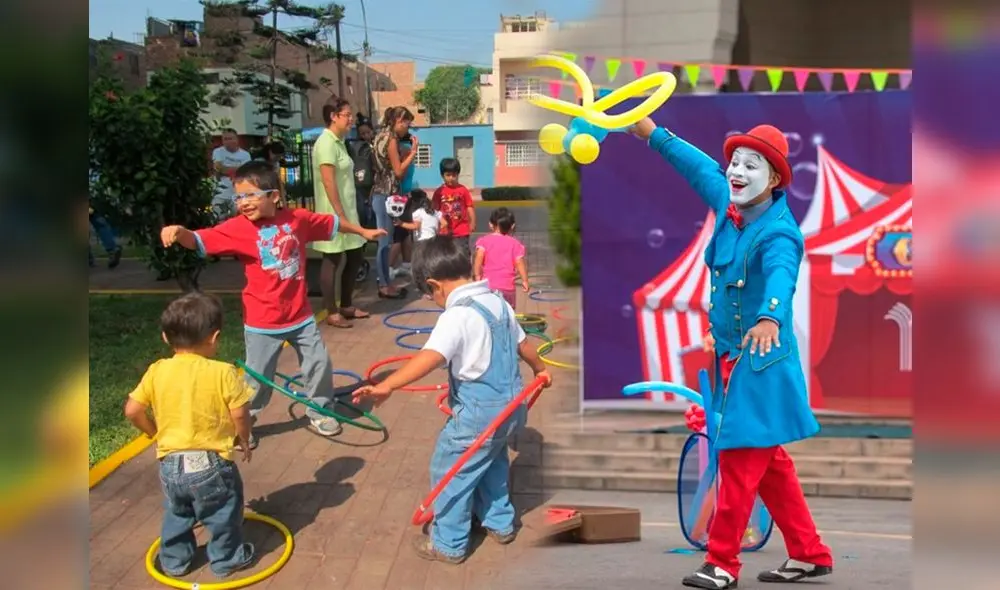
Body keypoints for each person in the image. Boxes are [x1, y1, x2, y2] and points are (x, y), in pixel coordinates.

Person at [629, 118, 833, 589]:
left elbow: (782, 276)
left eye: (750, 166)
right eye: (735, 164)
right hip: (730, 360)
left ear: (775, 179)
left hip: (761, 365)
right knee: (772, 467)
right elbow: (700, 168)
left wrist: (770, 317)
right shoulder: (730, 204)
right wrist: (652, 133)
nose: (736, 173)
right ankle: (809, 553)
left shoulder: (779, 233)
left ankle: (722, 562)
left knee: (740, 463)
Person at [352, 236, 553, 564]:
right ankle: (499, 523)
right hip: (512, 406)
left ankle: (448, 543)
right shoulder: (499, 302)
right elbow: (524, 343)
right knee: (493, 460)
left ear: (434, 285)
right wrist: (541, 369)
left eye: (428, 294)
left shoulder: (457, 315)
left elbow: (430, 357)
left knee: (451, 470)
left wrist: (388, 386)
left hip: (478, 414)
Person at [160, 160, 386, 445]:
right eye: (238, 197)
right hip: (262, 321)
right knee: (257, 380)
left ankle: (319, 410)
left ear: (274, 196)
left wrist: (364, 232)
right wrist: (180, 233)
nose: (243, 202)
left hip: (300, 316)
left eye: (251, 195)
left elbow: (333, 224)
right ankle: (244, 423)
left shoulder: (298, 220)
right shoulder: (237, 228)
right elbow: (200, 239)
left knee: (319, 364)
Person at [123, 292, 256, 578]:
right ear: (214, 336)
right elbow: (240, 413)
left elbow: (133, 410)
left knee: (178, 511)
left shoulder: (157, 370)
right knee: (224, 512)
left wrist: (153, 434)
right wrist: (244, 439)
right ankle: (226, 559)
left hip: (170, 463)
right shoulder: (224, 372)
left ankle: (174, 561)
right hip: (212, 464)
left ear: (165, 338)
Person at [311, 97, 372, 329]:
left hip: (347, 210)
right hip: (333, 213)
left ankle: (346, 305)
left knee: (355, 256)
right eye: (346, 115)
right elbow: (328, 183)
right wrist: (340, 216)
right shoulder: (325, 143)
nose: (350, 120)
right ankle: (331, 311)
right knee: (332, 260)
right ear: (333, 117)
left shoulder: (339, 142)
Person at [371, 106, 418, 299]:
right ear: (398, 120)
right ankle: (384, 284)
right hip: (384, 195)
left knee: (386, 240)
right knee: (384, 241)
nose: (408, 127)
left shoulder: (380, 136)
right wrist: (412, 154)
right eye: (406, 122)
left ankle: (386, 282)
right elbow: (398, 172)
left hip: (383, 195)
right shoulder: (390, 139)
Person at [474, 207, 529, 310]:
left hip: (489, 287)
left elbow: (479, 257)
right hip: (507, 288)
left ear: (490, 224)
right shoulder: (515, 244)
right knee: (508, 312)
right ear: (512, 226)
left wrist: (477, 275)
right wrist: (525, 280)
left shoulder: (484, 241)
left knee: (489, 312)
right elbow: (519, 263)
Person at [433, 158, 475, 259]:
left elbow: (469, 207)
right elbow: (434, 210)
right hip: (445, 231)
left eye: (454, 175)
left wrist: (473, 222)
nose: (451, 178)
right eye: (448, 175)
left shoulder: (463, 190)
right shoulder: (439, 192)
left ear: (457, 175)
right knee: (446, 255)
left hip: (462, 230)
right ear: (442, 175)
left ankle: (465, 273)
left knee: (463, 254)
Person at [211, 129, 252, 218]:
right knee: (218, 220)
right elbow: (219, 168)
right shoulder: (217, 152)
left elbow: (247, 172)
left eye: (230, 138)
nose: (228, 141)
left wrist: (225, 170)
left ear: (237, 139)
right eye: (225, 139)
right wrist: (238, 170)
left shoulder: (245, 155)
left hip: (238, 194)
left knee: (238, 219)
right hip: (220, 193)